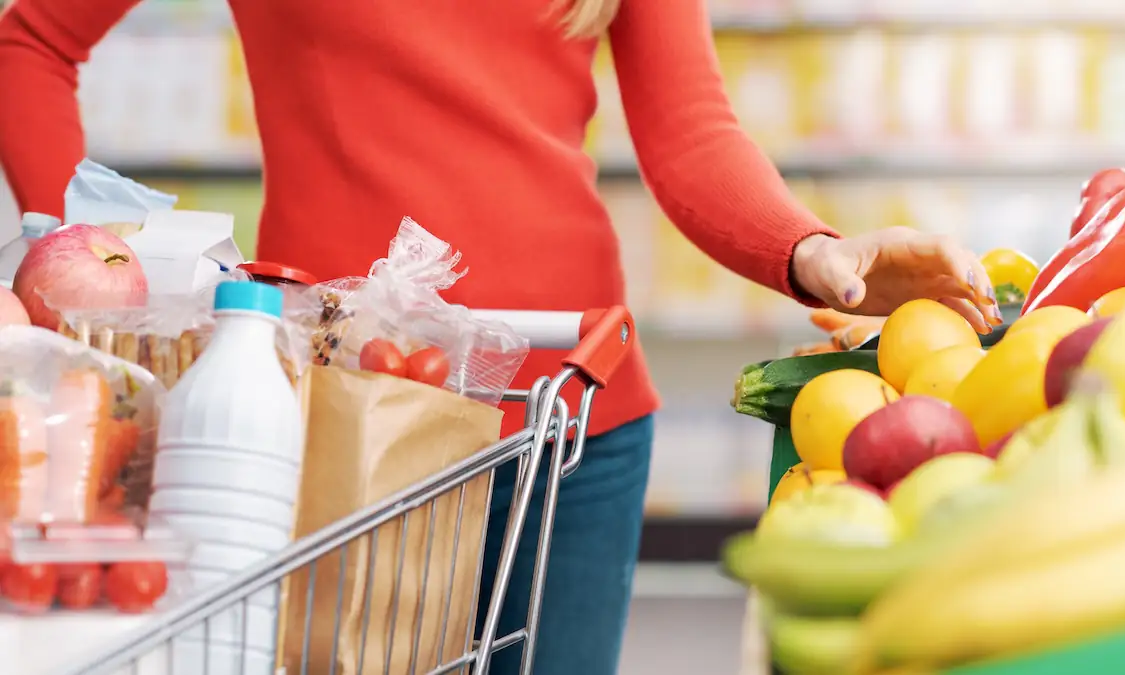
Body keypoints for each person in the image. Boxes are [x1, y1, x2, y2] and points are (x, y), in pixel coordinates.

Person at [0, 0, 1002, 672]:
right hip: (350, 417)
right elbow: (32, 42)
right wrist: (75, 249)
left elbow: (691, 132)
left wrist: (811, 250)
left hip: (574, 416)